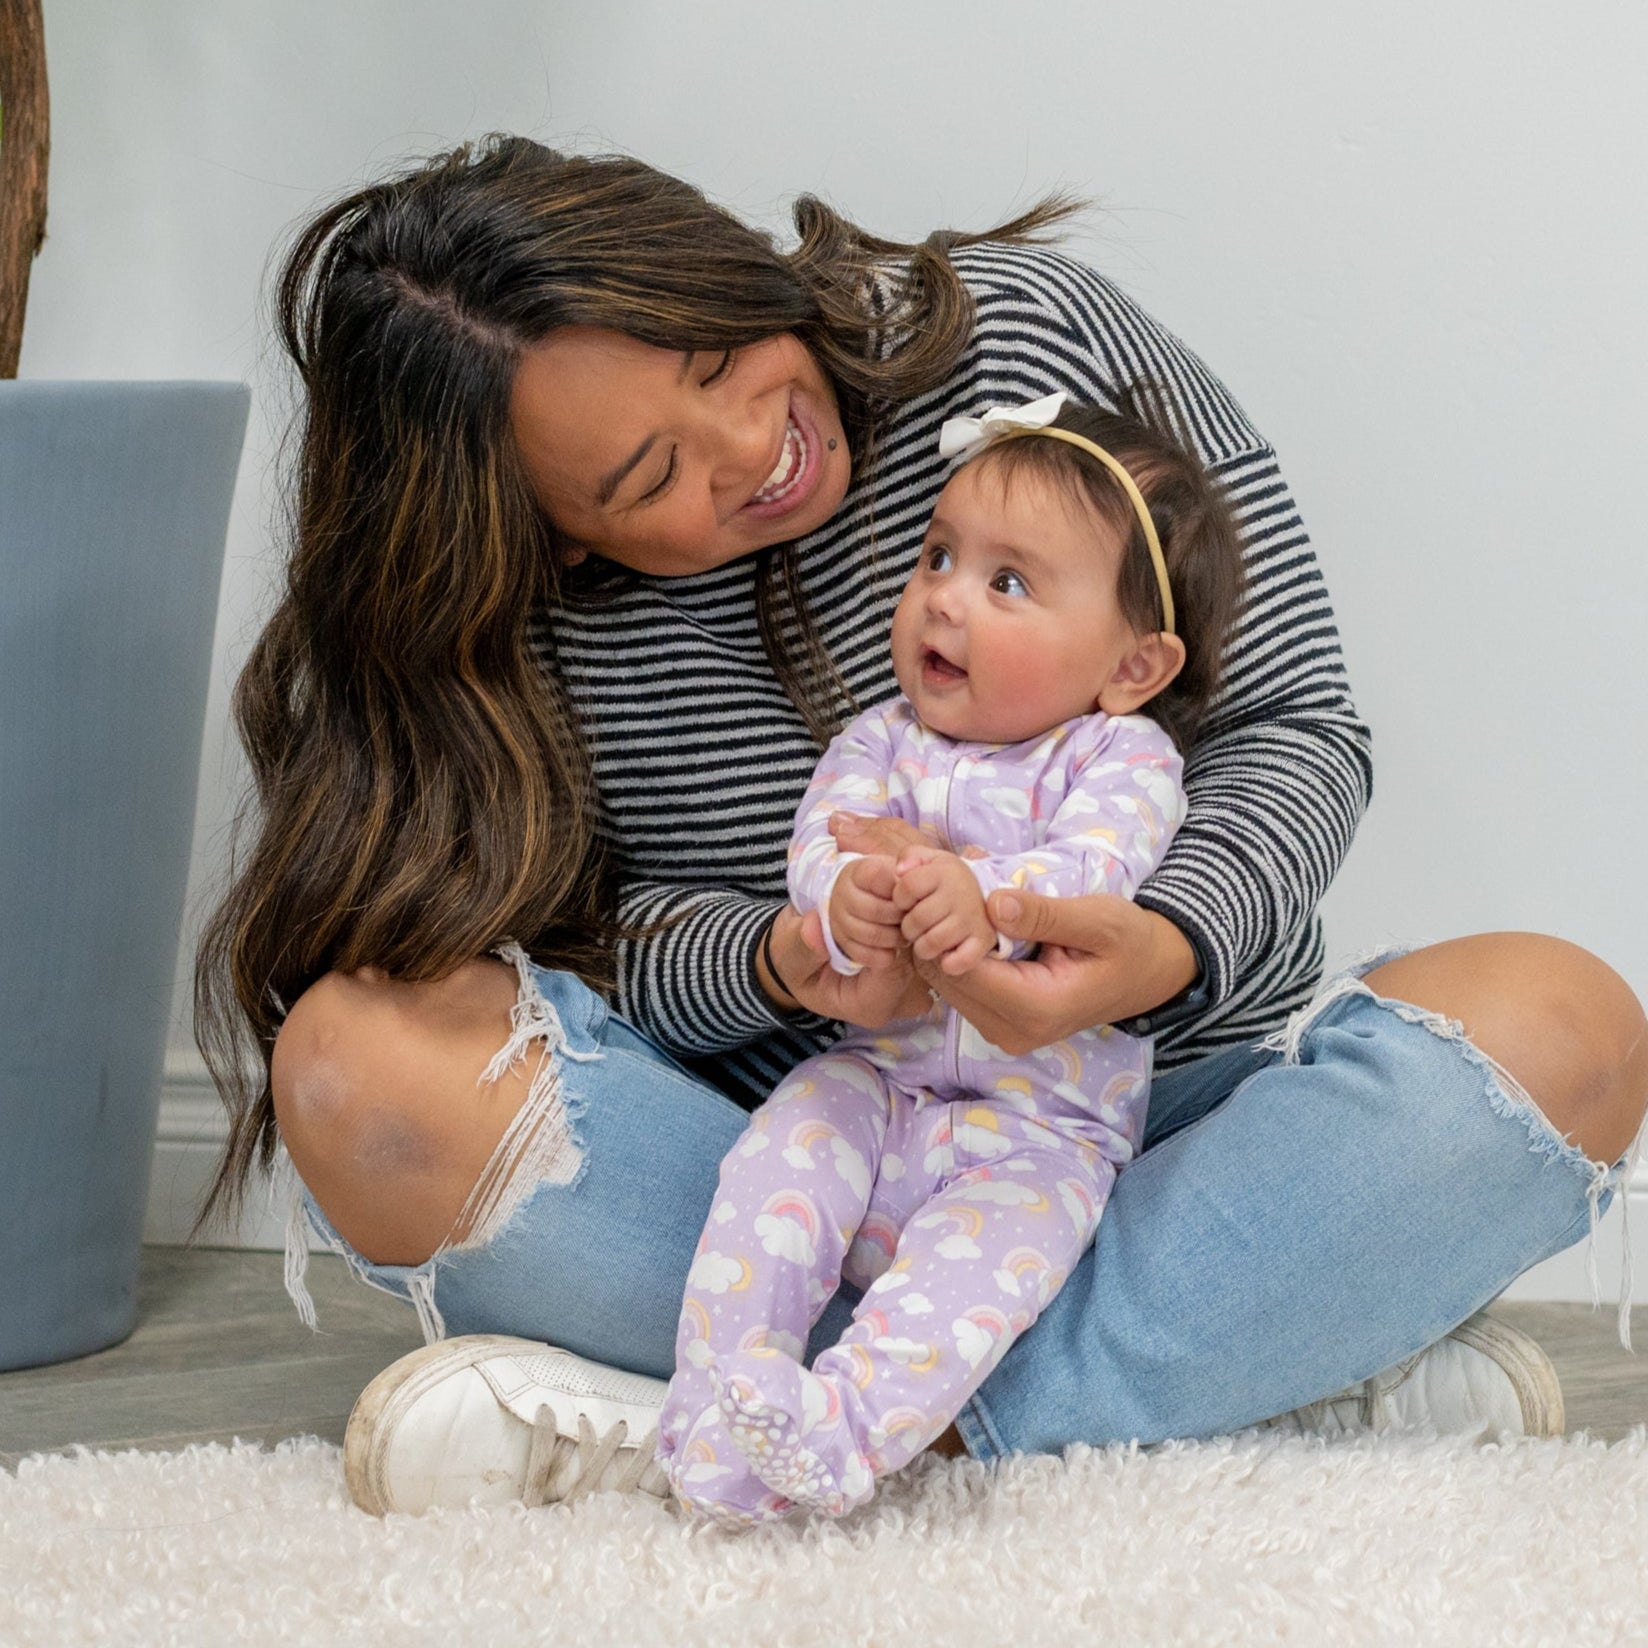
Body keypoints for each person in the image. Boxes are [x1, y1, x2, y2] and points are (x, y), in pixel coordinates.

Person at [196, 136, 1648, 1517]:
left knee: (1566, 1026)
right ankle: (1234, 1373)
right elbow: (571, 939)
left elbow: (1295, 722)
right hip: (798, 1151)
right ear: (554, 535)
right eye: (652, 481)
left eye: (721, 357)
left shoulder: (1029, 350)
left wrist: (1159, 944)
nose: (754, 442)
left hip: (1164, 1123)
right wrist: (778, 962)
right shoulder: (526, 624)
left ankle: (753, 1419)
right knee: (356, 1069)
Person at [658, 388, 1244, 1523]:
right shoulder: (876, 739)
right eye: (936, 555)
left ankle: (845, 1430)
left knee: (963, 1292)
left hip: (1036, 1129)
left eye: (1006, 581)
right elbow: (818, 850)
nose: (941, 597)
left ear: (1133, 664)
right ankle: (711, 1408)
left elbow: (1091, 872)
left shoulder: (1118, 755)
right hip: (873, 1082)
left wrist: (973, 891)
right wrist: (852, 902)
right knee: (771, 1173)